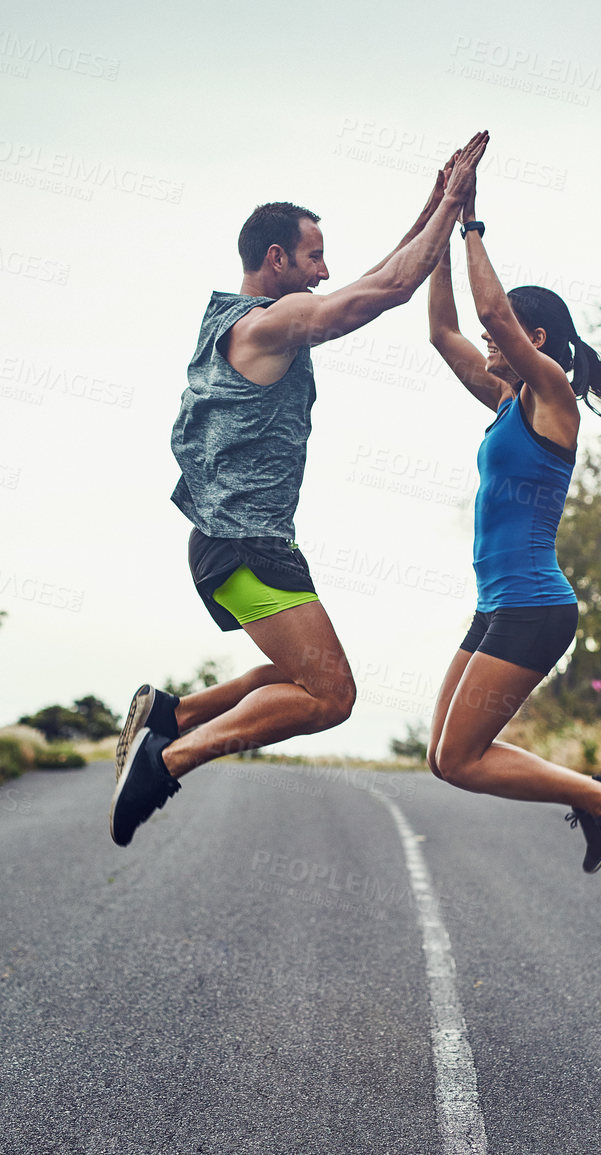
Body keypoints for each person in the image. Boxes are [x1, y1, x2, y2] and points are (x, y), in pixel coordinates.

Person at [109, 132, 491, 846]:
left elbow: (380, 275)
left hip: (239, 541)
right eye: (314, 255)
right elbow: (385, 292)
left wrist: (437, 204)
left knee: (290, 675)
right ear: (277, 258)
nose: (325, 269)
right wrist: (452, 206)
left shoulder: (233, 316)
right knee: (329, 696)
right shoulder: (269, 323)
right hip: (244, 543)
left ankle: (173, 714)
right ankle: (168, 758)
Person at [422, 156, 601, 892]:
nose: (492, 347)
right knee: (441, 757)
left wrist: (470, 221)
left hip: (533, 606)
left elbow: (490, 315)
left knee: (464, 758)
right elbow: (442, 330)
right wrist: (437, 221)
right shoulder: (504, 403)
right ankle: (597, 801)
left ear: (537, 339)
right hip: (495, 606)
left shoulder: (550, 396)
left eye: (509, 339)